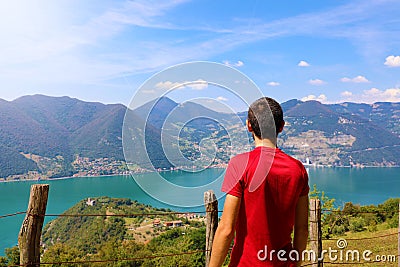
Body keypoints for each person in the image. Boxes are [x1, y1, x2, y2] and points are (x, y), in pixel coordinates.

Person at [209, 97, 309, 267]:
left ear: (249, 126)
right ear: (281, 127)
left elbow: (226, 229)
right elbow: (302, 230)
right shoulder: (297, 169)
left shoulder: (240, 165)